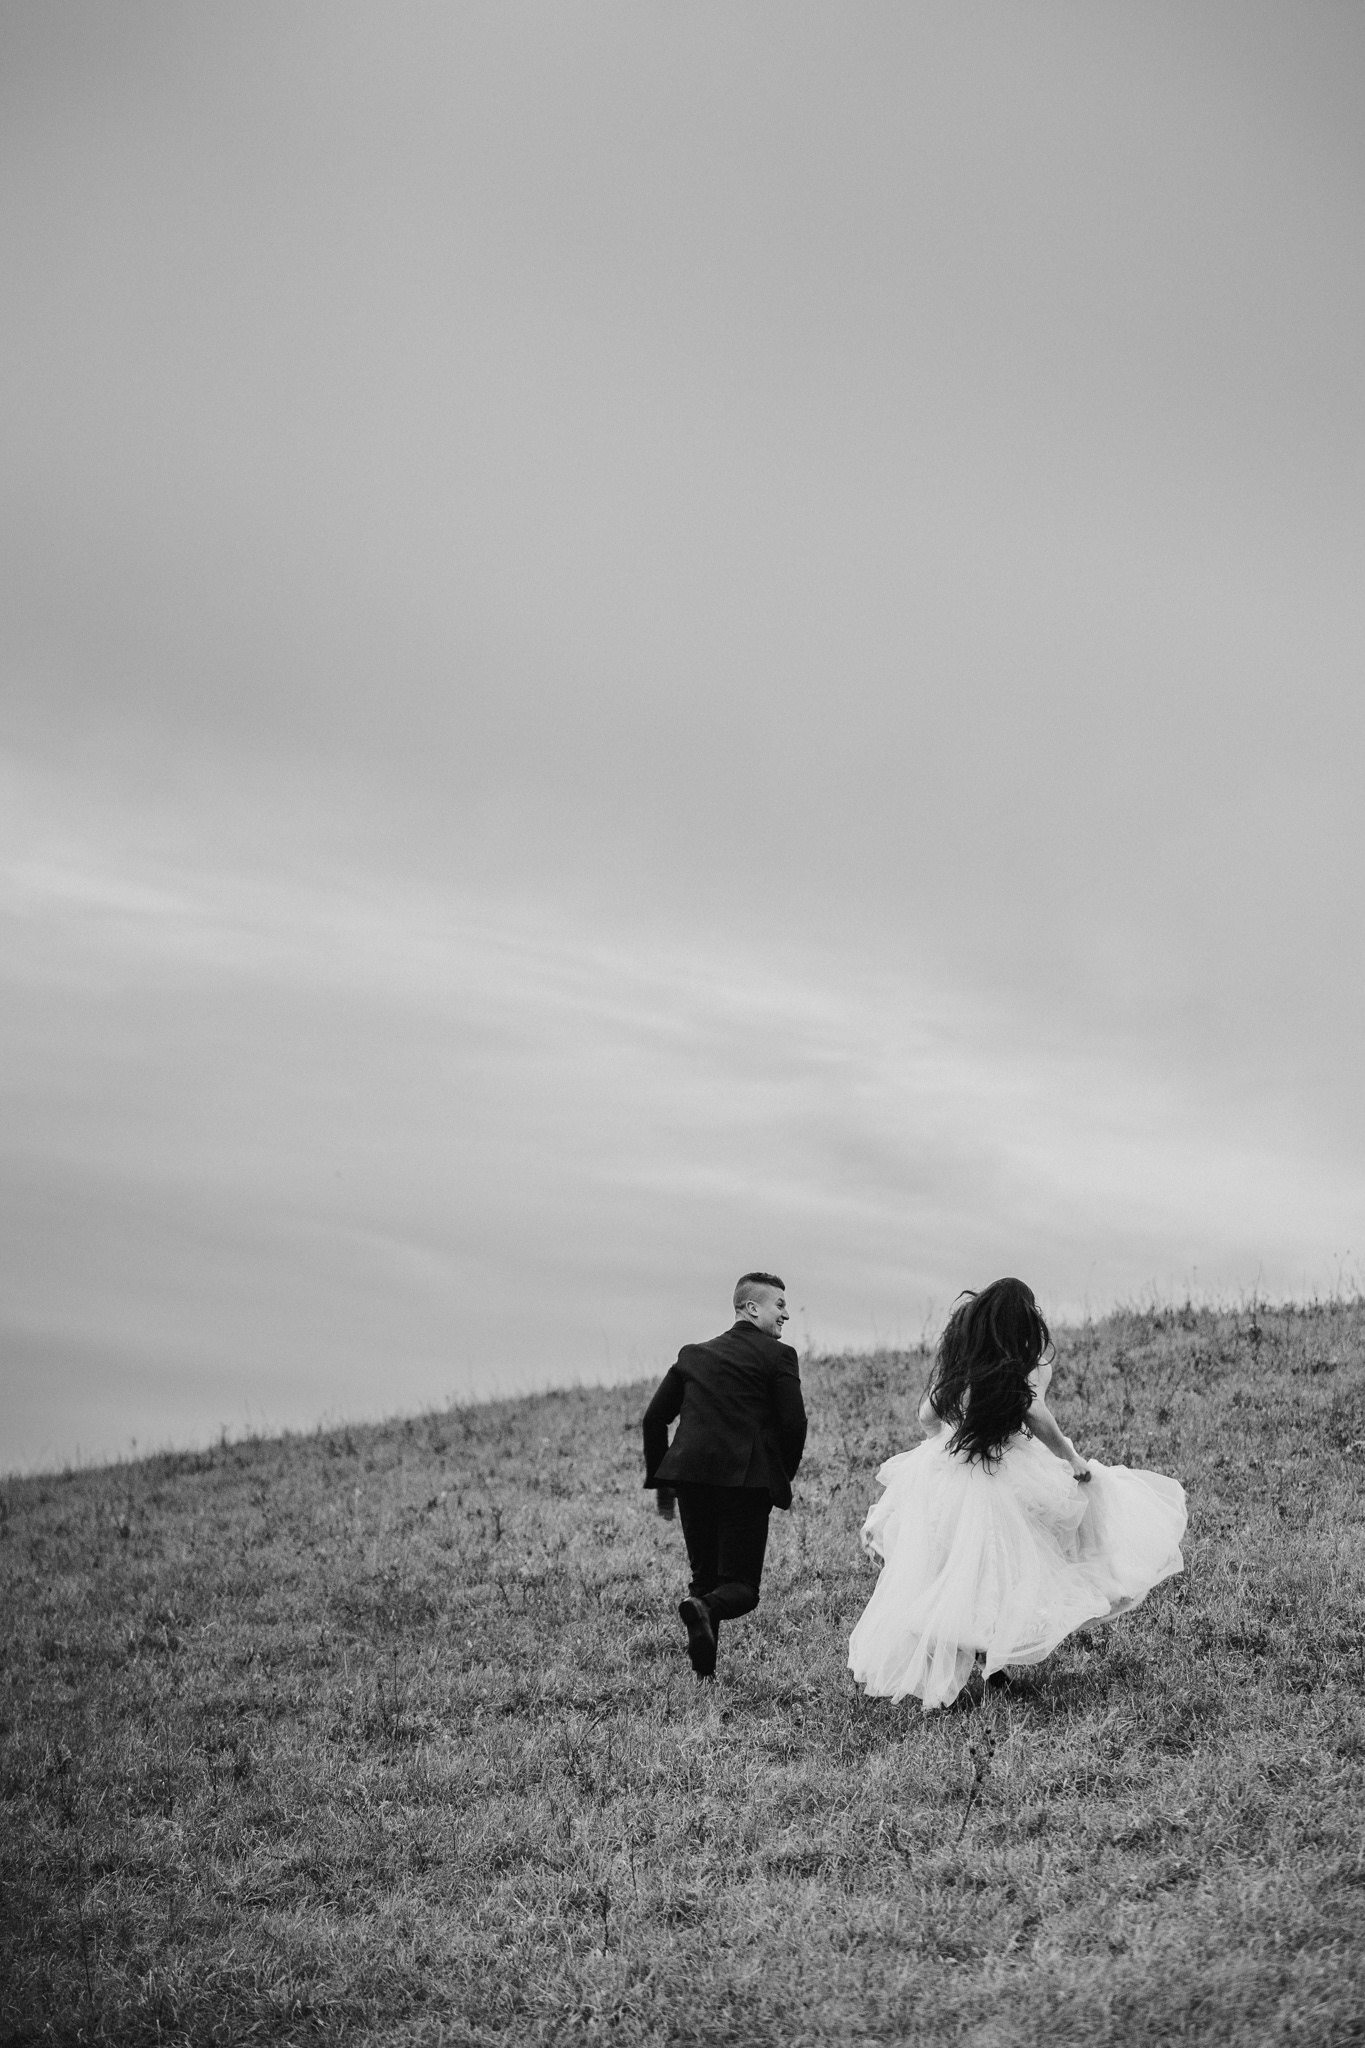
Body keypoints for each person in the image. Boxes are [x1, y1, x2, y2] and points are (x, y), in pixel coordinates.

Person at [848, 1277, 1186, 1711]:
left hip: (949, 1472)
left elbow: (927, 1416)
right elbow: (1034, 1411)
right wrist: (1071, 1457)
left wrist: (946, 1441)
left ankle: (973, 1654)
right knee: (1008, 1564)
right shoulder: (1024, 1367)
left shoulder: (960, 1366)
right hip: (1003, 1471)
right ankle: (992, 1659)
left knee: (951, 1563)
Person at [643, 1272, 808, 1678]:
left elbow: (654, 1420)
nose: (786, 1315)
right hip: (745, 1483)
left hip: (690, 1479)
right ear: (751, 1308)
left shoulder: (693, 1355)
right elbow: (794, 1425)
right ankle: (703, 1611)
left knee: (703, 1582)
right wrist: (780, 1477)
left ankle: (704, 1677)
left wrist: (662, 1480)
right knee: (743, 1589)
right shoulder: (779, 1356)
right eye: (779, 1305)